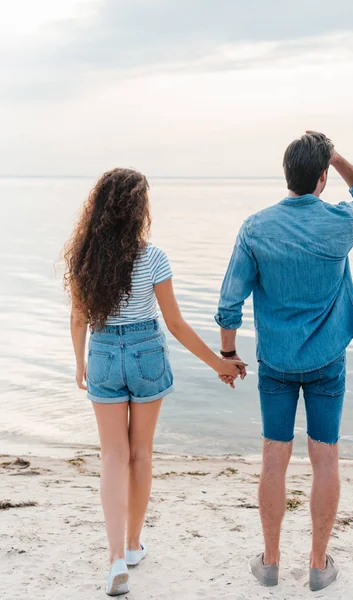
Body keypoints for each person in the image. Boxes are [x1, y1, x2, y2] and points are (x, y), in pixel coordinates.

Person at [215, 132, 353, 591]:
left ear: (286, 175)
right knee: (325, 458)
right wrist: (334, 154)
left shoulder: (256, 227)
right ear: (323, 177)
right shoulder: (341, 222)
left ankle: (269, 562)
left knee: (274, 457)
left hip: (276, 363)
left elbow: (230, 303)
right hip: (328, 360)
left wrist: (229, 355)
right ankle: (316, 564)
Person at [64, 168, 245, 596]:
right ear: (138, 210)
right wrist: (219, 363)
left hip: (104, 352)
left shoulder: (84, 259)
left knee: (112, 456)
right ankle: (131, 546)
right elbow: (176, 324)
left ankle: (112, 561)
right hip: (146, 353)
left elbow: (78, 319)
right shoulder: (154, 257)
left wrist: (79, 363)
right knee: (140, 454)